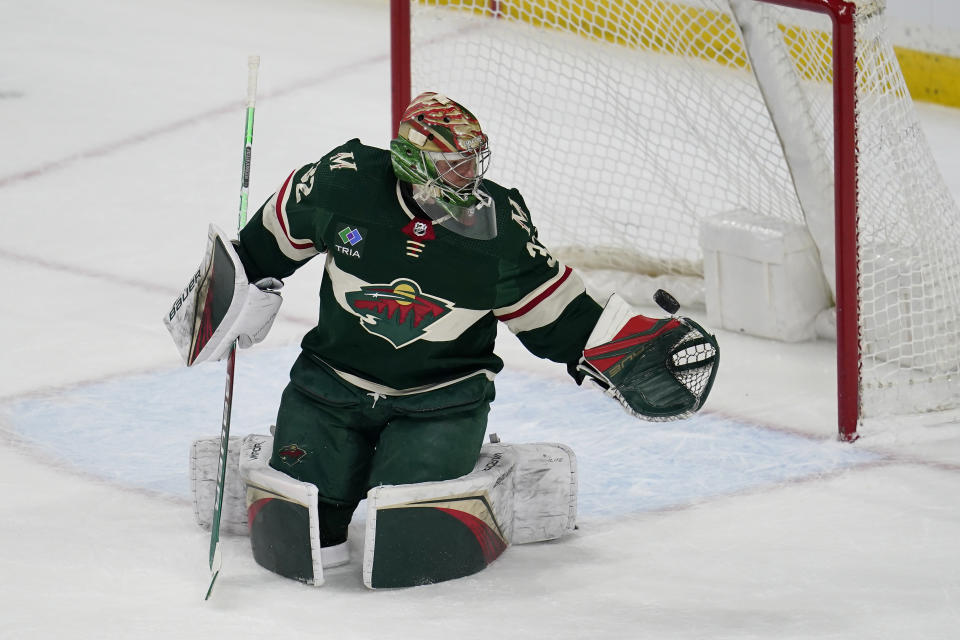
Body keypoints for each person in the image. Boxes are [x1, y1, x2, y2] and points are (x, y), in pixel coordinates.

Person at [226, 91, 717, 557]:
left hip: (441, 400)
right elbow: (264, 245)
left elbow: (557, 310)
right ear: (412, 163)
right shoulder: (342, 185)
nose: (470, 175)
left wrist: (627, 347)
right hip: (330, 386)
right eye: (454, 164)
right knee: (300, 529)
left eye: (473, 160)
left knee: (409, 532)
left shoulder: (497, 229)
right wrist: (239, 287)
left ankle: (456, 473)